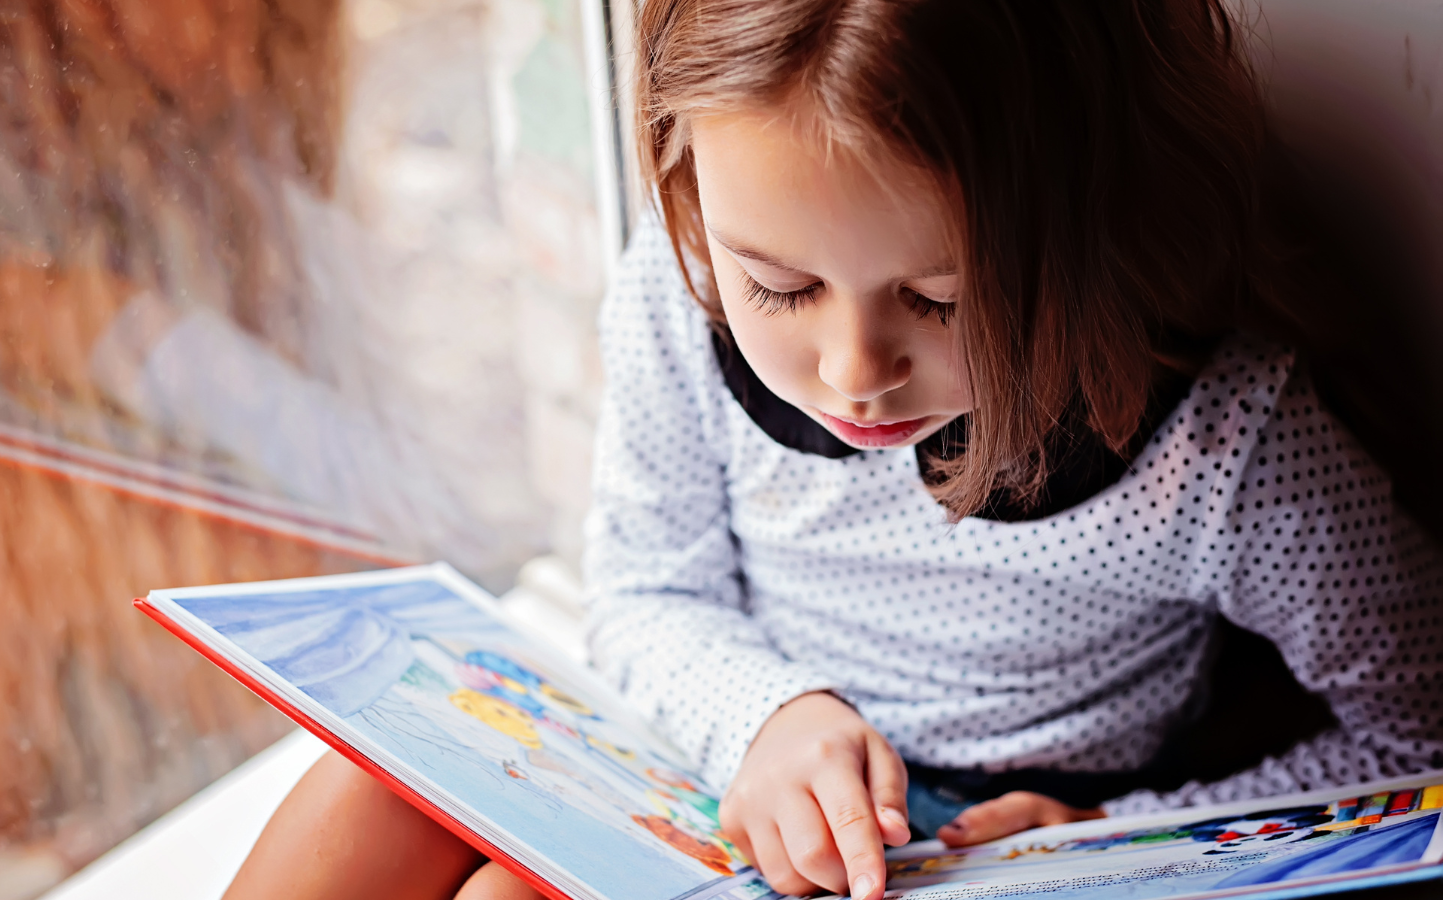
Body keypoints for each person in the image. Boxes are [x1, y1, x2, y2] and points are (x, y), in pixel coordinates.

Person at [222, 1, 1443, 899]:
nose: (853, 370)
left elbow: (1416, 741)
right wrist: (765, 716)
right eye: (779, 286)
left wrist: (1115, 832)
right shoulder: (676, 293)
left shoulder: (1231, 446)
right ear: (690, 194)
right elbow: (647, 591)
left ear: (1091, 232)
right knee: (376, 789)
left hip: (965, 850)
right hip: (726, 740)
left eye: (942, 298)